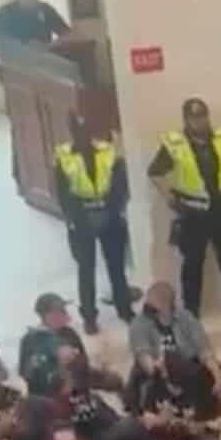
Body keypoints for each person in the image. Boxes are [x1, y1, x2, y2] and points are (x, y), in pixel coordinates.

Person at [148, 97, 221, 320]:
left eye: (203, 116)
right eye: (194, 118)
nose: (200, 121)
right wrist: (171, 200)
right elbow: (155, 172)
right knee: (193, 263)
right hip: (192, 212)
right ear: (186, 120)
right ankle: (191, 310)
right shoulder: (175, 144)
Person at [53, 112, 134, 334]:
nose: (83, 136)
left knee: (116, 267)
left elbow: (120, 183)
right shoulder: (64, 156)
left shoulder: (108, 151)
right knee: (86, 269)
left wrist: (115, 210)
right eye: (78, 132)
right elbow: (62, 192)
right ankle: (89, 316)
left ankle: (124, 308)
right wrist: (75, 219)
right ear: (72, 132)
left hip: (109, 214)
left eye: (85, 131)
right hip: (82, 217)